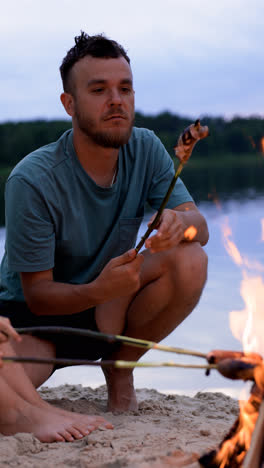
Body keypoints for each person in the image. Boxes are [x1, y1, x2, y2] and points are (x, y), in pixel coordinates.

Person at [0, 32, 209, 441]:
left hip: (110, 302)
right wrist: (98, 288)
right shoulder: (32, 179)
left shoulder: (145, 148)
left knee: (191, 257)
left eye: (125, 88)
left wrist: (177, 223)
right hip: (35, 319)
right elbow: (39, 295)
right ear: (69, 104)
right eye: (99, 90)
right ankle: (34, 409)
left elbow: (199, 226)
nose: (117, 100)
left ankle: (119, 366)